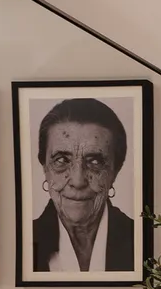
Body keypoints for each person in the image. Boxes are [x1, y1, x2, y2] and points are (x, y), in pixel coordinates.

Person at [31, 97, 136, 273]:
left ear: (115, 171)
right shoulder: (24, 242)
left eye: (95, 161)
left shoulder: (140, 240)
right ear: (45, 168)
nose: (78, 181)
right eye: (62, 160)